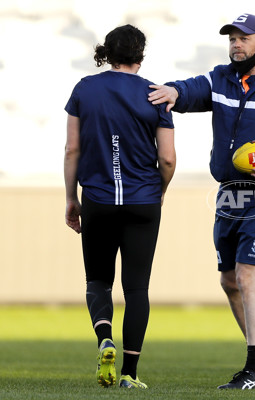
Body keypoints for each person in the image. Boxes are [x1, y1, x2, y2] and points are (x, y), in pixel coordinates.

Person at [147, 14, 255, 389]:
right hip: (228, 194)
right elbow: (192, 88)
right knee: (229, 280)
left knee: (247, 276)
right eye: (231, 38)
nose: (235, 45)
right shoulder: (220, 78)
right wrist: (173, 92)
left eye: (243, 38)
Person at [64, 24, 176, 389]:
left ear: (106, 53)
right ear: (140, 58)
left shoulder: (84, 89)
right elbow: (169, 158)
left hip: (97, 199)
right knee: (137, 289)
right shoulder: (156, 94)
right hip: (143, 200)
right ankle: (130, 374)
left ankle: (105, 339)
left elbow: (72, 150)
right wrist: (160, 189)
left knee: (98, 280)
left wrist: (71, 197)